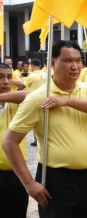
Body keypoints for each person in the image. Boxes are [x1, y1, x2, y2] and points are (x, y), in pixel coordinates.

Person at [2, 40, 87, 218]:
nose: (75, 66)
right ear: (53, 63)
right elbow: (9, 142)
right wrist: (29, 184)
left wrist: (67, 101)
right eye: (68, 61)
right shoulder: (39, 98)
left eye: (78, 61)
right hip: (55, 179)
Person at [0, 63, 29, 218]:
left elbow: (31, 95)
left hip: (16, 174)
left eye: (9, 77)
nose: (6, 81)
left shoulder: (17, 104)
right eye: (1, 77)